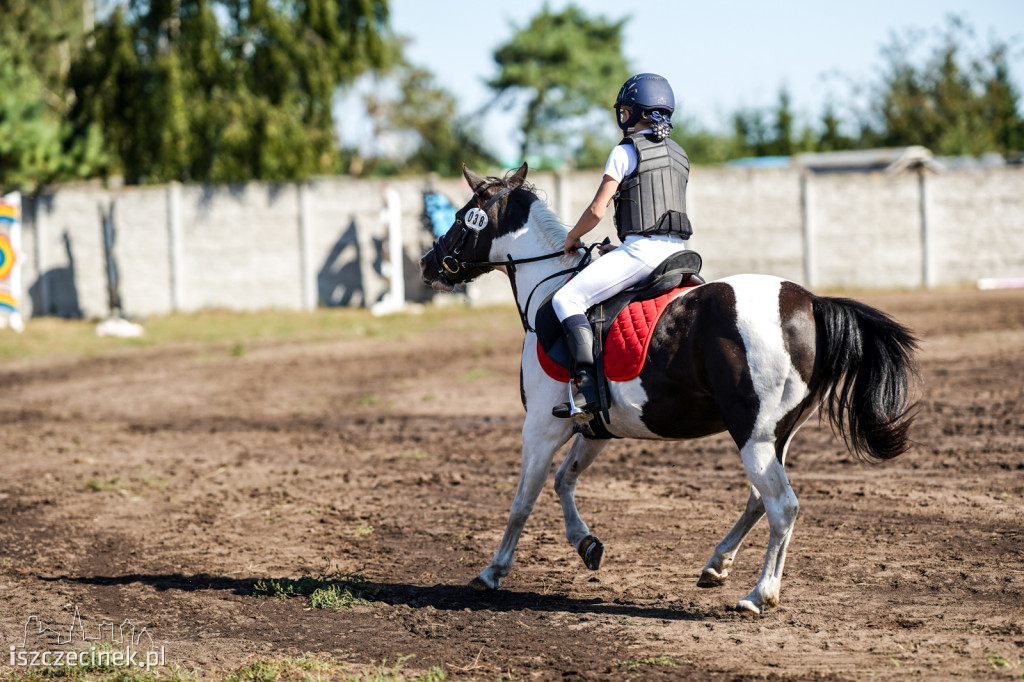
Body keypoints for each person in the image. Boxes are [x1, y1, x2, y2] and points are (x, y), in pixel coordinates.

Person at [552, 73, 693, 421]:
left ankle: (586, 392)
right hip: (678, 252)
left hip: (643, 253)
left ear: (632, 113)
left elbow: (598, 210)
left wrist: (573, 236)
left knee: (565, 299)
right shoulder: (680, 155)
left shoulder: (625, 151)